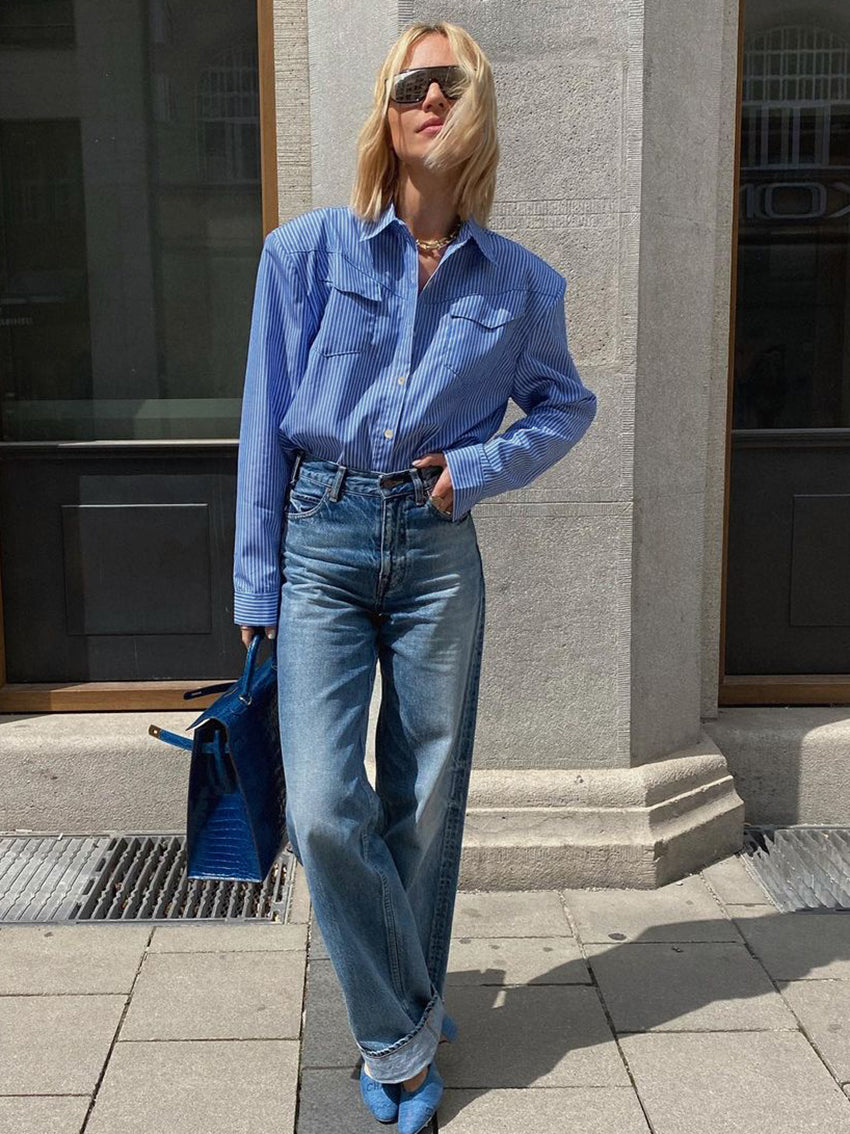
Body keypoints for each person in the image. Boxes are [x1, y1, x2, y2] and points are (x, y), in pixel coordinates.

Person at [232, 19, 597, 1133]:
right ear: (384, 110)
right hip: (323, 536)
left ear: (474, 109)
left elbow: (567, 405)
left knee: (426, 797)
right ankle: (397, 1032)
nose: (427, 98)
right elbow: (262, 427)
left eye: (449, 83)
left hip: (437, 550)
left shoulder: (522, 283)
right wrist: (256, 588)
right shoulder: (306, 254)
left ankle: (407, 1003)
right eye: (407, 83)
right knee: (327, 804)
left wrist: (480, 467)